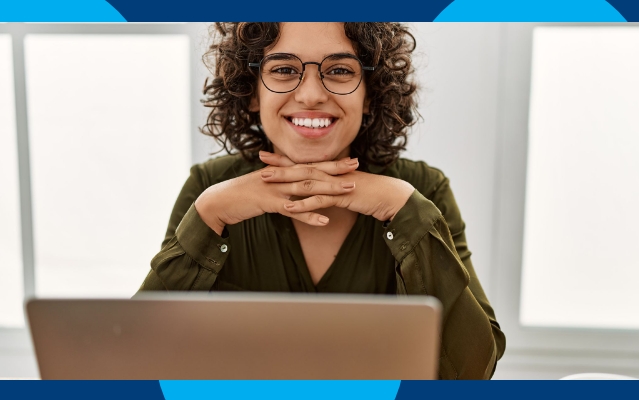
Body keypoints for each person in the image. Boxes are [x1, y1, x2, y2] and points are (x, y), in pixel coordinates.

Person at [136, 22, 505, 379]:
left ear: (370, 92)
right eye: (283, 68)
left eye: (340, 70)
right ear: (251, 92)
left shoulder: (423, 190)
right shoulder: (209, 187)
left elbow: (472, 373)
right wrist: (209, 216)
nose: (311, 95)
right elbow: (134, 363)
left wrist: (401, 207)